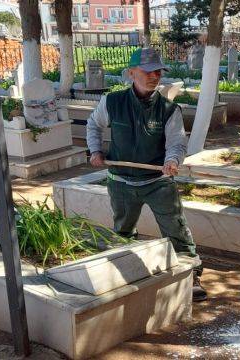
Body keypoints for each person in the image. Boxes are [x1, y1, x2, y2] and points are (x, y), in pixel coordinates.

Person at [85, 48, 207, 302]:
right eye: (147, 71)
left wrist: (172, 160)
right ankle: (126, 269)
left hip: (157, 182)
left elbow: (176, 142)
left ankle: (190, 273)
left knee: (176, 229)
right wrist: (95, 150)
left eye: (158, 71)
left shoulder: (169, 109)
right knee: (123, 230)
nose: (154, 76)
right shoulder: (112, 102)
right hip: (120, 181)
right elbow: (93, 124)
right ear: (131, 73)